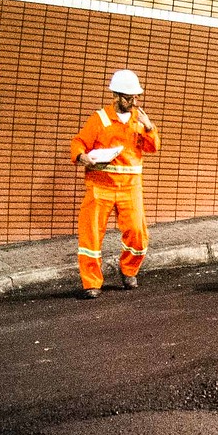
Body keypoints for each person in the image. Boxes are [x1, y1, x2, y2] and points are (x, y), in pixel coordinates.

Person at [68, 68, 162, 297]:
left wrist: (149, 127)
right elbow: (79, 142)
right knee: (91, 235)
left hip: (130, 187)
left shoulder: (139, 120)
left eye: (136, 97)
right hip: (101, 186)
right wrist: (83, 157)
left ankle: (129, 270)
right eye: (130, 98)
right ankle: (91, 283)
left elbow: (153, 147)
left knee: (138, 234)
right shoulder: (99, 119)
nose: (134, 101)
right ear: (116, 96)